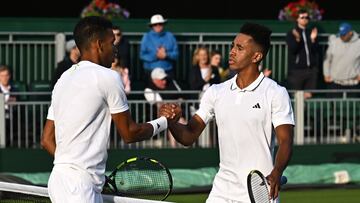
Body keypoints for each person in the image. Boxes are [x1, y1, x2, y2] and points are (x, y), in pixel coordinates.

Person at [40, 16, 174, 203]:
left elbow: (46, 140)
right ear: (99, 44)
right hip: (79, 188)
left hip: (60, 181)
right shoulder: (108, 77)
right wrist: (165, 121)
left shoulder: (63, 79)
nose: (116, 48)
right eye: (112, 42)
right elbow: (129, 133)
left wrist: (76, 167)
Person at [160, 22, 294, 202]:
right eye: (232, 46)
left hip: (260, 192)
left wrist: (277, 172)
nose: (231, 52)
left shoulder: (276, 92)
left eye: (239, 48)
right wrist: (171, 122)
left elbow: (286, 141)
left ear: (256, 56)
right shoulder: (216, 91)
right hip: (221, 191)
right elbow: (188, 136)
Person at [144, 67, 185, 148]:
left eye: (165, 79)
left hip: (177, 115)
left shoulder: (172, 82)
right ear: (154, 80)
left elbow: (181, 98)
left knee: (182, 122)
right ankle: (175, 148)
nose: (164, 81)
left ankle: (186, 148)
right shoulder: (148, 90)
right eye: (161, 80)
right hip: (160, 119)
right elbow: (160, 105)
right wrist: (174, 104)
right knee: (175, 122)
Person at [286, 9, 320, 99]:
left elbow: (316, 50)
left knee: (308, 96)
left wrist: (313, 39)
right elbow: (293, 50)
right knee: (297, 97)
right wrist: (297, 39)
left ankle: (306, 113)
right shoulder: (291, 33)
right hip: (297, 71)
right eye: (302, 17)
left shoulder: (311, 32)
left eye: (307, 17)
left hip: (311, 70)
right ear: (297, 19)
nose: (305, 19)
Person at [323, 22, 360, 97]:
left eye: (344, 34)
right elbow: (327, 60)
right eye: (341, 34)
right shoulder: (334, 41)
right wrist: (326, 74)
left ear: (350, 32)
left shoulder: (358, 43)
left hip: (353, 82)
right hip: (335, 81)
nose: (342, 36)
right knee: (334, 107)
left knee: (353, 108)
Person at [140, 14, 179, 82]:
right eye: (155, 24)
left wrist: (166, 55)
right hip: (150, 71)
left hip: (167, 70)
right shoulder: (146, 36)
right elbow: (142, 55)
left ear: (163, 24)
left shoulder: (170, 36)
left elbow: (176, 54)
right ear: (152, 26)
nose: (158, 26)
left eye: (160, 24)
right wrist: (156, 56)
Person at [0, 64, 18, 145]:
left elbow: (17, 101)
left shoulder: (14, 89)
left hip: (13, 117)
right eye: (2, 75)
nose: (4, 78)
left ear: (9, 76)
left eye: (6, 75)